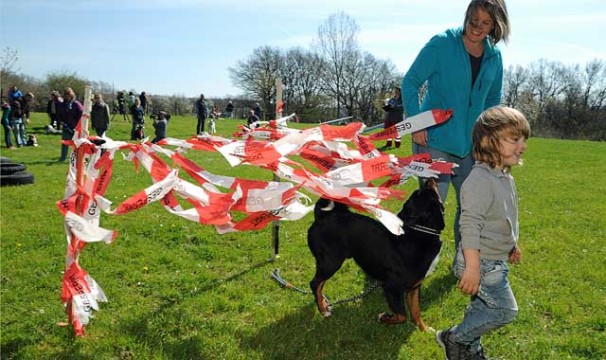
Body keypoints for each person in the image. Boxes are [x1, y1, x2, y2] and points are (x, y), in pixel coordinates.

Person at [401, 0, 510, 256]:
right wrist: (417, 122)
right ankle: (409, 260)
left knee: (471, 208)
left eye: (486, 24)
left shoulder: (495, 57)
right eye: (474, 21)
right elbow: (411, 81)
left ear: (496, 25)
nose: (477, 28)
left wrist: (489, 139)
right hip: (434, 140)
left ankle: (464, 262)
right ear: (467, 16)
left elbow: (494, 100)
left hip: (472, 148)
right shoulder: (441, 44)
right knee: (429, 208)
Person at [436, 106, 529, 360]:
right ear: (489, 141)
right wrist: (473, 268)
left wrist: (511, 244)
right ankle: (454, 338)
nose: (522, 145)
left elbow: (504, 215)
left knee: (480, 308)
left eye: (524, 139)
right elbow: (469, 225)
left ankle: (468, 350)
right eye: (514, 139)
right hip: (480, 263)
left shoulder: (503, 177)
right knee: (503, 310)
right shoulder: (479, 181)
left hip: (494, 260)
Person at [58, 87, 84, 161]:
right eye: (65, 95)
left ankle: (78, 158)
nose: (67, 96)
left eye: (68, 95)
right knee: (65, 143)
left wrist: (78, 125)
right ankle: (63, 158)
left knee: (77, 144)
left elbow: (81, 114)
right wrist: (61, 121)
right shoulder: (62, 104)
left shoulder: (76, 104)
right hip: (66, 127)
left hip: (76, 127)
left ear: (71, 95)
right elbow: (59, 114)